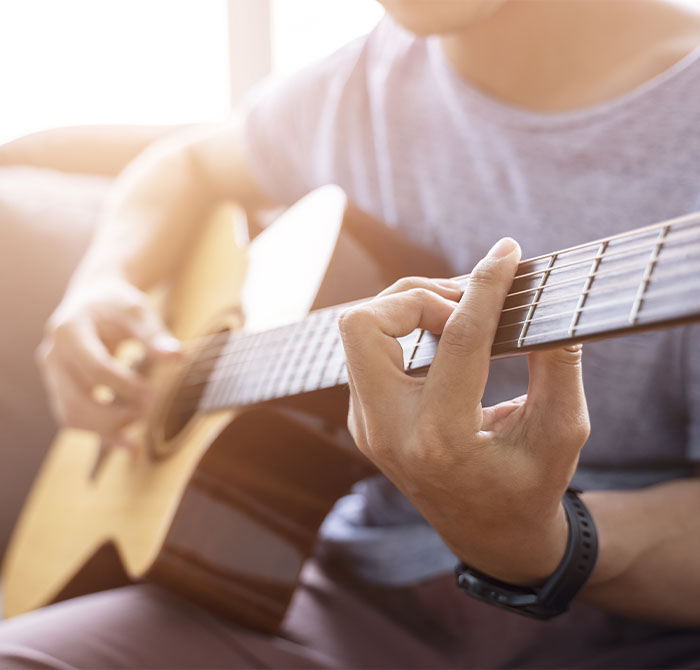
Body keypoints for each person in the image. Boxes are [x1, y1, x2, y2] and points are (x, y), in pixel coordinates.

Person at [1, 0, 700, 666]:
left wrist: (544, 545)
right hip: (336, 601)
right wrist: (101, 282)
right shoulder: (362, 82)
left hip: (625, 632)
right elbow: (183, 166)